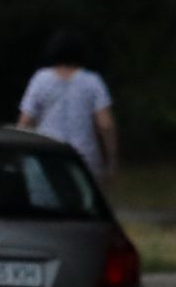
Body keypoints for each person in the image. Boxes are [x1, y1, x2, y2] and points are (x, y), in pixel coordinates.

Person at [15, 30, 117, 181]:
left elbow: (25, 122)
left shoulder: (40, 80)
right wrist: (111, 162)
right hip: (83, 158)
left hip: (48, 154)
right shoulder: (93, 82)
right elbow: (105, 124)